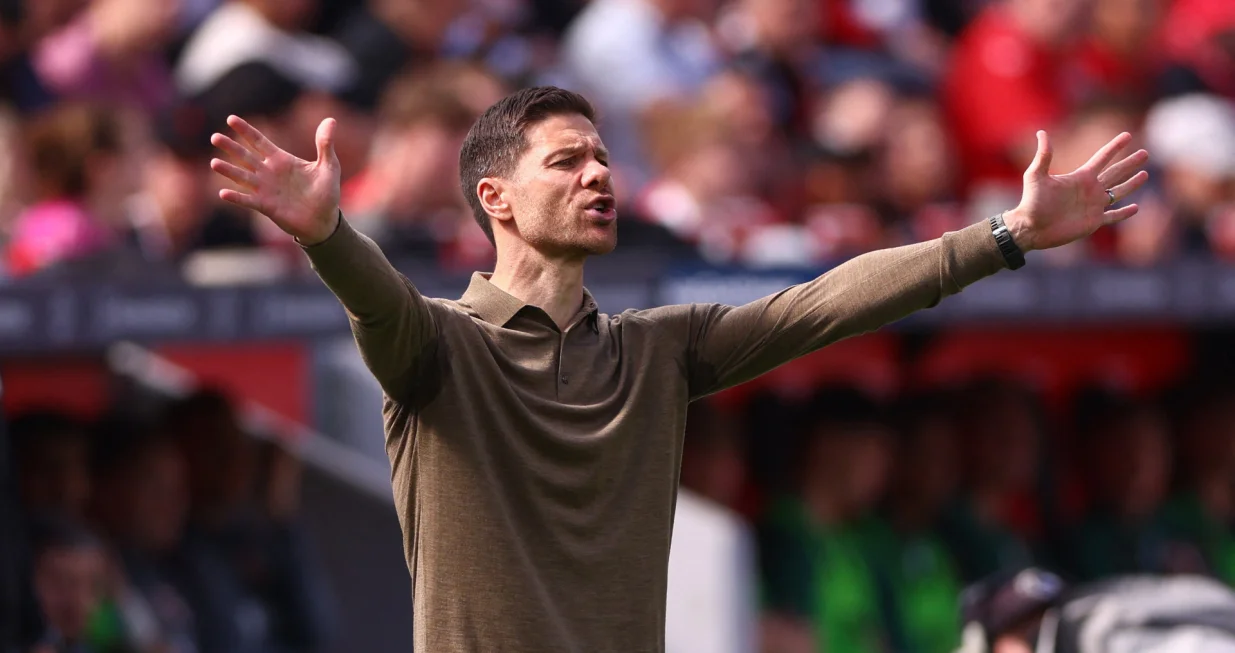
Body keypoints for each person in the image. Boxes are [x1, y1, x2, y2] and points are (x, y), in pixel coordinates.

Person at [208, 85, 1149, 652]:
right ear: (493, 197)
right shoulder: (438, 349)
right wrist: (327, 231)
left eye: (605, 158)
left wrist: (1008, 234)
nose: (598, 176)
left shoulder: (659, 348)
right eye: (567, 160)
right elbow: (376, 299)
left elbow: (829, 300)